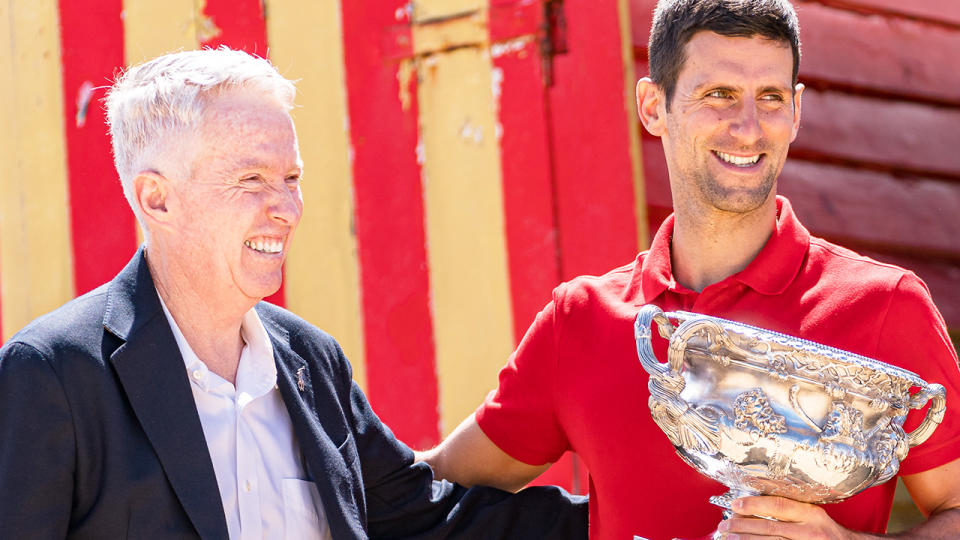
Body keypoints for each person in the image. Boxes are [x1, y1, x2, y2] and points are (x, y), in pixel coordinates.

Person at [417, 1, 960, 538]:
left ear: (795, 112)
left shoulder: (887, 305)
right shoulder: (578, 321)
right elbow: (431, 490)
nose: (748, 129)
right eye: (718, 94)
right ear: (654, 106)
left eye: (769, 98)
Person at [0, 48, 587, 539]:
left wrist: (629, 523)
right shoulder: (52, 375)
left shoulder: (313, 362)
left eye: (292, 178)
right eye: (252, 179)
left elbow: (428, 519)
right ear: (157, 199)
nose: (286, 209)